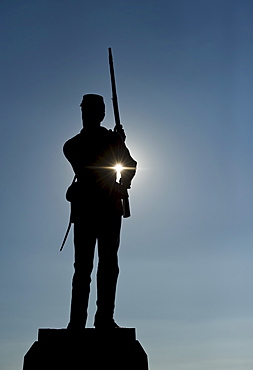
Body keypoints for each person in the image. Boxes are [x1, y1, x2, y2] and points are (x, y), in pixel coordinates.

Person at [63, 94, 137, 329]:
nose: (89, 114)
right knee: (87, 267)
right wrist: (117, 144)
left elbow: (130, 166)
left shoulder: (77, 143)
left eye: (92, 110)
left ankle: (99, 318)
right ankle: (83, 321)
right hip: (96, 207)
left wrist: (118, 145)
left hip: (100, 208)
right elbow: (125, 165)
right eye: (87, 110)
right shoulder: (76, 145)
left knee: (104, 265)